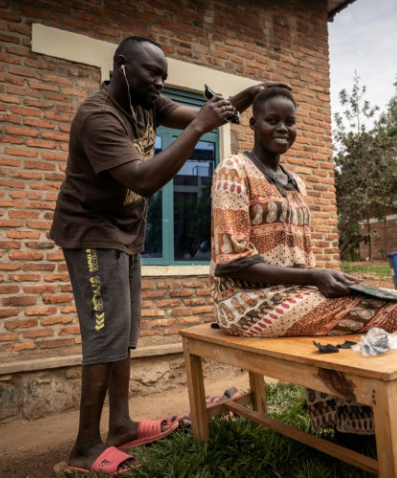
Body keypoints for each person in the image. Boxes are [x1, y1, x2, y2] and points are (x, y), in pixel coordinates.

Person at [49, 35, 289, 474]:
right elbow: (143, 180)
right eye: (152, 73)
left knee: (123, 332)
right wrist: (199, 127)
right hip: (89, 233)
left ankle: (119, 425)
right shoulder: (97, 116)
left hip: (124, 231)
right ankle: (84, 447)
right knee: (104, 335)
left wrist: (245, 96)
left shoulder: (147, 102)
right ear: (122, 65)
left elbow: (200, 116)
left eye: (164, 75)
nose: (159, 83)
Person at [209, 87, 397, 450]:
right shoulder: (234, 169)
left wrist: (327, 278)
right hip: (246, 303)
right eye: (272, 120)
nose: (282, 128)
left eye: (290, 122)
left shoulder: (296, 182)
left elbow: (301, 259)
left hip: (294, 295)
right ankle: (367, 430)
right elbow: (232, 262)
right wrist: (312, 278)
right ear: (253, 122)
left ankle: (358, 423)